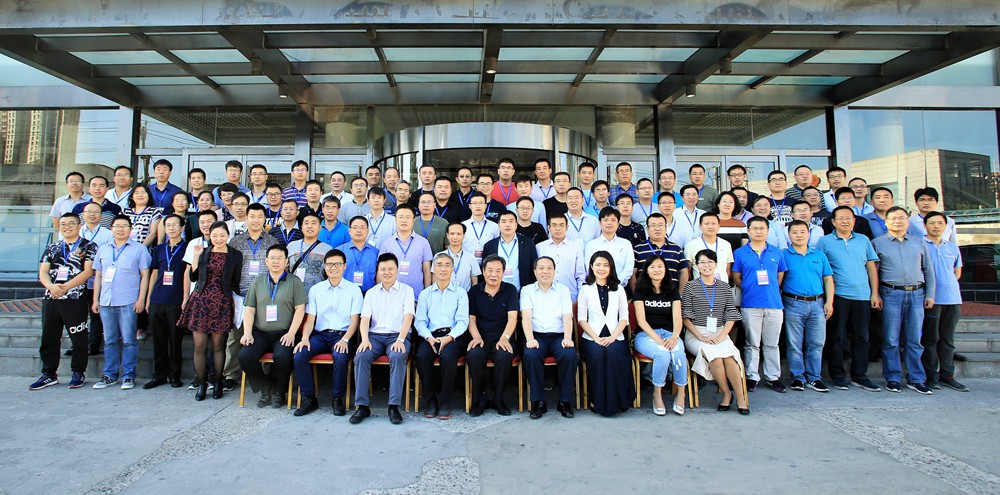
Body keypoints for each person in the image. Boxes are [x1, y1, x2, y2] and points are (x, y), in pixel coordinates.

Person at [816, 206, 882, 392]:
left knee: (863, 337)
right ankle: (837, 375)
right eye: (841, 218)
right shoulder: (824, 242)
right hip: (838, 295)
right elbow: (822, 271)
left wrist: (874, 293)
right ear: (833, 222)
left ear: (854, 221)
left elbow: (871, 267)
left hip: (862, 295)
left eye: (849, 218)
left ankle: (860, 375)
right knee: (837, 337)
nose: (845, 221)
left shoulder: (863, 240)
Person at [293, 249, 364, 416]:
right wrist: (305, 338)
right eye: (330, 264)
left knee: (340, 356)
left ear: (344, 266)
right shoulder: (316, 290)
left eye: (338, 264)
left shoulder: (353, 290)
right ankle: (309, 398)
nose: (334, 268)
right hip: (320, 335)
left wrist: (345, 340)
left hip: (342, 335)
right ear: (325, 267)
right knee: (299, 354)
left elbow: (355, 320)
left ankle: (337, 398)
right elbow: (310, 319)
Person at [873, 206, 935, 395]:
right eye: (893, 218)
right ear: (886, 222)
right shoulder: (877, 243)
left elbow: (928, 270)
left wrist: (930, 294)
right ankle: (892, 377)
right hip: (890, 293)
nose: (897, 221)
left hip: (917, 294)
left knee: (914, 339)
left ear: (908, 221)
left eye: (901, 218)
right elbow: (873, 273)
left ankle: (916, 378)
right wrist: (875, 294)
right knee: (891, 339)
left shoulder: (919, 242)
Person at [31, 213, 97, 390]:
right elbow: (43, 272)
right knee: (49, 336)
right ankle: (49, 373)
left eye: (71, 223)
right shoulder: (52, 247)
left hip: (75, 297)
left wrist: (66, 287)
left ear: (79, 225)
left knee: (78, 337)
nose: (67, 227)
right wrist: (51, 287)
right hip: (51, 297)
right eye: (63, 224)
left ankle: (78, 372)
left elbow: (88, 272)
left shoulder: (88, 246)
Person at [178, 221, 242, 400]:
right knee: (199, 346)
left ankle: (218, 382)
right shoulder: (203, 252)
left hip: (222, 302)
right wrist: (196, 257)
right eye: (215, 236)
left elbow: (235, 281)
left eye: (222, 235)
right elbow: (193, 277)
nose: (218, 239)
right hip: (201, 301)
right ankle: (201, 383)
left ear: (227, 235)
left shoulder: (235, 255)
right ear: (210, 236)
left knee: (218, 346)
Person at [238, 244, 307, 408]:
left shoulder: (294, 282)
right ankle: (265, 387)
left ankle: (279, 392)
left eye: (280, 258)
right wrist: (247, 332)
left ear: (286, 262)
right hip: (260, 332)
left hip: (284, 333)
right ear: (266, 261)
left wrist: (292, 333)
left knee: (283, 357)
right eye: (272, 258)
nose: (276, 262)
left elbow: (300, 309)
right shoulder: (258, 282)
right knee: (244, 356)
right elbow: (249, 310)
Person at [682, 249, 749, 415]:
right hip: (696, 333)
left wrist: (721, 336)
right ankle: (726, 394)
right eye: (702, 262)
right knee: (716, 358)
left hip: (720, 332)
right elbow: (685, 316)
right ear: (697, 265)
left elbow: (731, 315)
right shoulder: (690, 286)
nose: (706, 265)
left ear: (716, 264)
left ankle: (741, 398)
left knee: (730, 358)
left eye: (710, 262)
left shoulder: (724, 287)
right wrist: (700, 336)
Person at [351, 253, 415, 425]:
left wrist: (401, 340)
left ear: (397, 270)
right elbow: (365, 319)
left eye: (390, 269)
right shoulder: (371, 293)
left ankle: (393, 406)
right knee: (361, 356)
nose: (387, 272)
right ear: (378, 271)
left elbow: (408, 317)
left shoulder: (407, 291)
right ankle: (362, 406)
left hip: (397, 336)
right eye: (383, 269)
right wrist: (364, 339)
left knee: (397, 356)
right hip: (375, 337)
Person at [91, 215, 151, 391]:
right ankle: (110, 375)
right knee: (110, 340)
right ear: (111, 229)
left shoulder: (139, 249)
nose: (120, 229)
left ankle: (128, 375)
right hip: (106, 301)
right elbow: (98, 276)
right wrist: (95, 299)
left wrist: (141, 299)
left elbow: (145, 275)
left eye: (124, 226)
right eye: (117, 226)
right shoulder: (103, 249)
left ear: (131, 229)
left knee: (129, 340)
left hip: (128, 301)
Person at [225, 203, 280, 390]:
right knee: (235, 337)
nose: (256, 220)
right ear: (246, 218)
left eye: (259, 217)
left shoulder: (272, 241)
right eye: (252, 216)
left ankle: (263, 375)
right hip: (241, 295)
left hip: (265, 296)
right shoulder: (236, 242)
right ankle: (230, 374)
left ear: (265, 219)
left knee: (263, 335)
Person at [732, 216, 787, 393]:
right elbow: (736, 277)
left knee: (772, 343)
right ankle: (752, 376)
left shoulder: (776, 252)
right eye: (754, 228)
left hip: (774, 303)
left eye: (762, 228)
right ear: (748, 231)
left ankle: (773, 377)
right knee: (752, 343)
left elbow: (780, 275)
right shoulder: (740, 253)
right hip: (750, 303)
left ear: (768, 231)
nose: (758, 231)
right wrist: (749, 288)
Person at [577, 250, 635, 416]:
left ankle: (619, 401)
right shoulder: (585, 290)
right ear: (591, 267)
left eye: (605, 265)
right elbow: (582, 319)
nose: (601, 268)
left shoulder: (619, 290)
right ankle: (596, 400)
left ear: (611, 268)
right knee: (597, 354)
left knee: (614, 353)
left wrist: (612, 337)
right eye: (598, 265)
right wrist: (596, 338)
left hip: (615, 335)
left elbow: (624, 318)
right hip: (591, 337)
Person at [414, 253, 470, 420]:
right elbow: (420, 322)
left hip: (453, 336)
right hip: (430, 336)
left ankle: (445, 401)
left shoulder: (460, 293)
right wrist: (429, 338)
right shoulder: (425, 294)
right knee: (421, 356)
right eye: (439, 265)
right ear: (433, 269)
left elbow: (463, 322)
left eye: (447, 265)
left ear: (452, 269)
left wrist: (448, 338)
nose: (443, 269)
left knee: (448, 357)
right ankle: (430, 400)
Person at [780, 220, 835, 393]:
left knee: (816, 343)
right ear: (789, 235)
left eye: (802, 232)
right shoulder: (783, 255)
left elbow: (828, 279)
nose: (799, 235)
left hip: (817, 303)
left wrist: (829, 302)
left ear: (809, 234)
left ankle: (814, 378)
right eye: (794, 232)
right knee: (794, 343)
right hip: (793, 303)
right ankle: (798, 377)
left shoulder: (819, 255)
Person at [521, 257, 578, 419]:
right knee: (531, 354)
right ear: (535, 271)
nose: (545, 271)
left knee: (569, 354)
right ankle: (538, 401)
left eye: (549, 268)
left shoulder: (563, 290)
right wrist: (530, 339)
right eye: (541, 268)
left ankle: (565, 401)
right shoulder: (527, 290)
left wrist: (568, 337)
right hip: (537, 336)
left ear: (554, 271)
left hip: (559, 336)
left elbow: (567, 316)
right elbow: (526, 316)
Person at [632, 255, 688, 415]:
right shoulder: (640, 290)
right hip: (646, 335)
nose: (656, 270)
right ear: (647, 271)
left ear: (665, 269)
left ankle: (681, 394)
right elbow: (641, 321)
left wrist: (675, 337)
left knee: (678, 353)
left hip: (670, 334)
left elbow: (677, 318)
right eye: (652, 267)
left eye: (660, 266)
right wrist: (658, 340)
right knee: (662, 354)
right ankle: (657, 394)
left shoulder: (672, 290)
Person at [466, 255, 519, 416]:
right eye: (490, 270)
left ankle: (498, 398)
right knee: (474, 355)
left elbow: (512, 318)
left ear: (503, 273)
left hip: (502, 336)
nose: (493, 274)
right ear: (483, 271)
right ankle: (480, 398)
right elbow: (471, 319)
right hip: (480, 336)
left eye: (498, 271)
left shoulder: (510, 290)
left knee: (504, 356)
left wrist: (505, 338)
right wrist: (476, 337)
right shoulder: (475, 291)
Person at [921, 212, 968, 392]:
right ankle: (931, 375)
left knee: (947, 338)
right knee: (931, 338)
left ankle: (947, 375)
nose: (936, 226)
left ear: (946, 226)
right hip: (932, 299)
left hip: (953, 298)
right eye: (932, 223)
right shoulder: (920, 245)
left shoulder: (953, 247)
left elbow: (957, 272)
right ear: (925, 225)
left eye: (940, 223)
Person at [142, 214, 188, 390]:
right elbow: (154, 274)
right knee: (158, 340)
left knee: (175, 340)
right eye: (168, 225)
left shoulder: (188, 247)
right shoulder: (160, 249)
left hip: (176, 299)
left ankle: (175, 375)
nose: (171, 228)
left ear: (182, 228)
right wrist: (149, 298)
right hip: (157, 298)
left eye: (175, 225)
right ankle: (159, 375)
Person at [79, 202, 113, 355]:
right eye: (89, 212)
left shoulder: (108, 234)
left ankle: (93, 345)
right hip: (77, 281)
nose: (92, 215)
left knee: (96, 314)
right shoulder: (77, 231)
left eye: (96, 212)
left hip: (97, 280)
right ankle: (77, 345)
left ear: (101, 215)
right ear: (83, 214)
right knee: (77, 315)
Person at [381, 205, 434, 294]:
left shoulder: (423, 243)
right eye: (401, 217)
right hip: (391, 295)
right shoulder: (387, 244)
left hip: (416, 295)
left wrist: (426, 294)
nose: (404, 220)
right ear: (395, 220)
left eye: (408, 217)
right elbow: (381, 270)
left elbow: (427, 270)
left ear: (413, 221)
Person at [634, 213, 690, 292]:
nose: (657, 229)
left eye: (661, 225)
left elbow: (684, 272)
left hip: (671, 295)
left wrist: (680, 294)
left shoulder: (676, 249)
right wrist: (636, 294)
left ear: (666, 228)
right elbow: (633, 274)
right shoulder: (638, 249)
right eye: (653, 225)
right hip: (645, 295)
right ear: (647, 229)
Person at [483, 210, 537, 291]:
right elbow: (485, 271)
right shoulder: (489, 246)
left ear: (516, 225)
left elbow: (534, 267)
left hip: (522, 291)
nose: (507, 225)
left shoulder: (528, 243)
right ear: (499, 225)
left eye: (511, 221)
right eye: (503, 222)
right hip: (497, 292)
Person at [536, 215, 586, 302]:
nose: (558, 229)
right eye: (554, 225)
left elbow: (581, 275)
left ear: (567, 227)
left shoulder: (576, 248)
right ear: (549, 228)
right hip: (544, 296)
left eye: (561, 225)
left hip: (570, 296)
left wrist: (580, 297)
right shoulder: (540, 247)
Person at [584, 207, 635, 288]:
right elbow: (589, 267)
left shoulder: (626, 244)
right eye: (606, 220)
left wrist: (615, 283)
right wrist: (602, 283)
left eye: (613, 220)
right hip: (597, 288)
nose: (609, 223)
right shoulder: (591, 245)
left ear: (618, 224)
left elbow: (628, 268)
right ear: (599, 223)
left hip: (620, 287)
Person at [684, 212, 734, 283]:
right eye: (706, 224)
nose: (710, 227)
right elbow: (687, 272)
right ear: (700, 226)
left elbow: (727, 270)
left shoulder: (726, 244)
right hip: (700, 287)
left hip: (722, 287)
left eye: (714, 224)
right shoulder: (691, 245)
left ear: (719, 226)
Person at [287, 214, 332, 291]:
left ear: (320, 228)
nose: (309, 226)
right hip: (293, 292)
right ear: (302, 227)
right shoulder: (291, 246)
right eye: (306, 223)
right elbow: (285, 270)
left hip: (318, 292)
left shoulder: (327, 249)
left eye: (313, 223)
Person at [337, 216, 379, 293]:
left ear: (368, 231)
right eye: (355, 227)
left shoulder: (375, 252)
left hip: (369, 294)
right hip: (344, 293)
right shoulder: (339, 251)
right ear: (349, 230)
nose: (358, 230)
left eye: (362, 228)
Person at [439, 222, 481, 291]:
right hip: (444, 295)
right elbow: (435, 280)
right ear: (447, 235)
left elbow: (474, 282)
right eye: (452, 234)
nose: (455, 237)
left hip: (466, 295)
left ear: (464, 236)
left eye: (458, 234)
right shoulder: (439, 257)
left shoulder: (471, 258)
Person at [462, 192, 500, 263]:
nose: (478, 206)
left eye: (481, 203)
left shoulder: (494, 226)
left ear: (485, 205)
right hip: (467, 263)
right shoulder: (463, 226)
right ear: (470, 206)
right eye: (474, 203)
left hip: (489, 264)